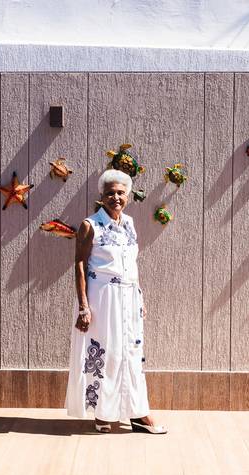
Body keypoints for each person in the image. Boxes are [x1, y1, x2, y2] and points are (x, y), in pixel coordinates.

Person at [64, 169, 168, 434]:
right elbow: (80, 264)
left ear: (128, 196)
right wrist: (83, 307)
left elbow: (131, 263)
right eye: (110, 193)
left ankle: (138, 413)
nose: (116, 197)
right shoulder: (90, 225)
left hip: (129, 298)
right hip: (102, 299)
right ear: (102, 196)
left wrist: (139, 295)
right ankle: (103, 413)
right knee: (107, 354)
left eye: (121, 193)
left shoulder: (130, 224)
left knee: (131, 354)